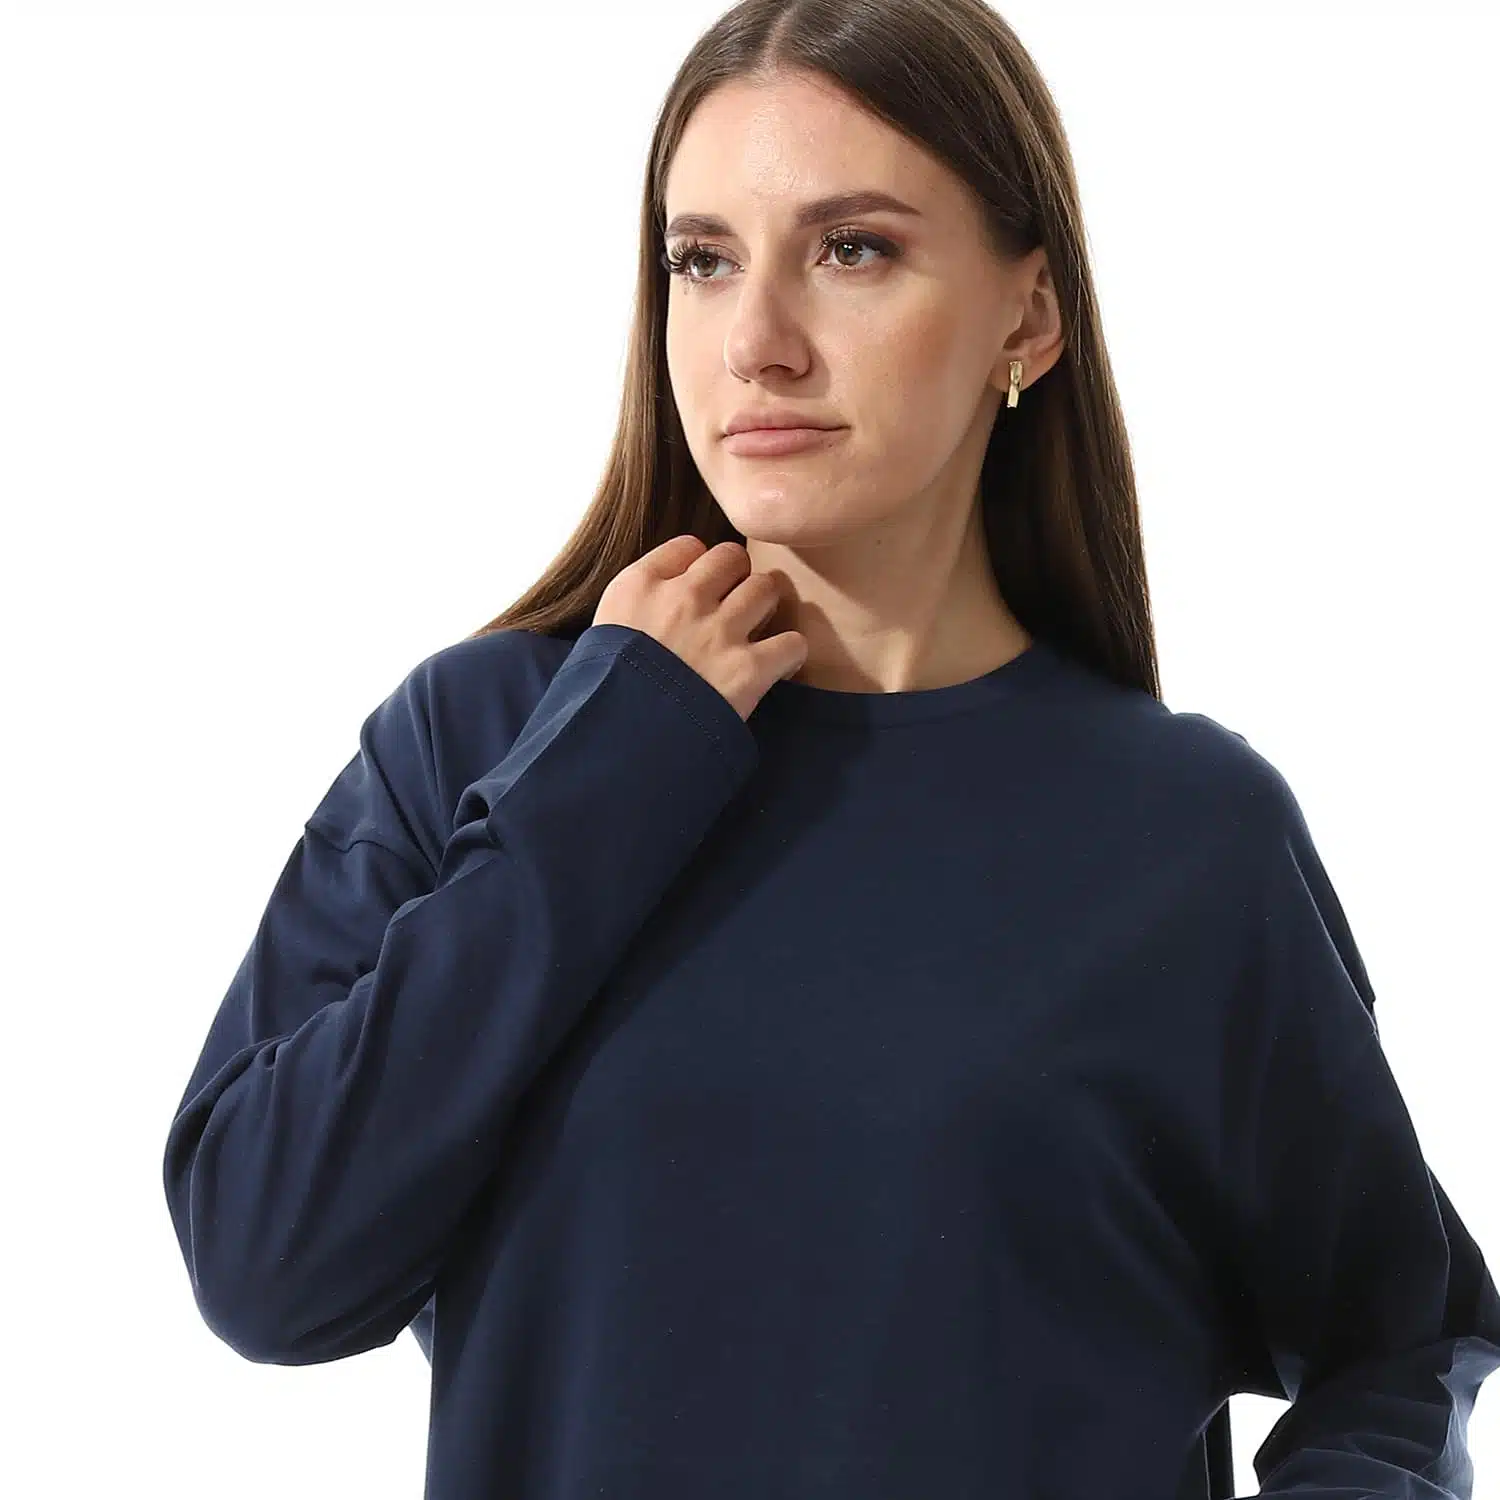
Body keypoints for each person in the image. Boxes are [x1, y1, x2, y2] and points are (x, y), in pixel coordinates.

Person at [161, 2, 1500, 1498]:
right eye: (702, 260)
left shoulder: (1189, 835)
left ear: (1028, 317)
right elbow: (267, 1265)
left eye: (851, 249)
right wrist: (609, 777)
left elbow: (1400, 1343)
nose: (757, 344)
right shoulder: (489, 741)